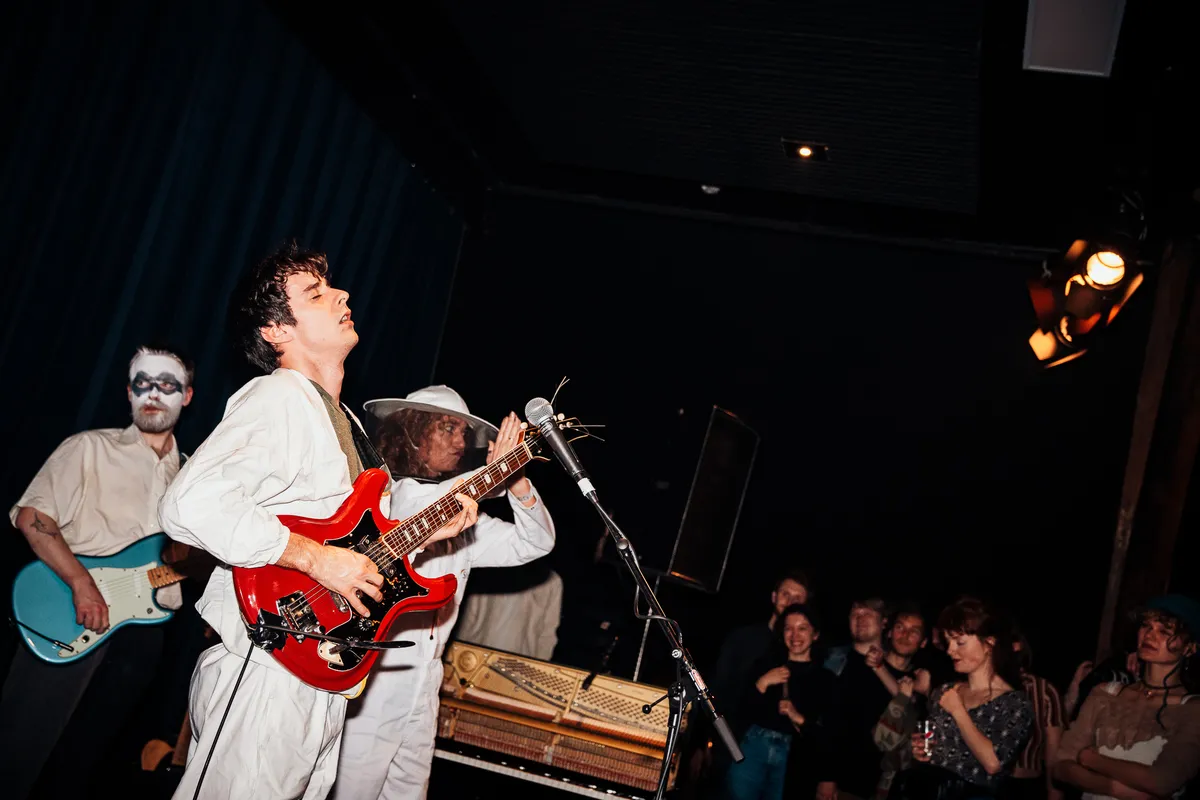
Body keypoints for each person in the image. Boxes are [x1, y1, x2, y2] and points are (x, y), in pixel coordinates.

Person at [158, 244, 479, 799]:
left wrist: (427, 532)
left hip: (318, 668)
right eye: (316, 293)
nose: (342, 295)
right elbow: (188, 504)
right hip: (267, 661)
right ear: (276, 330)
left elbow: (348, 543)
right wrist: (317, 560)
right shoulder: (279, 395)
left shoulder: (344, 421)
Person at [331, 385, 556, 800]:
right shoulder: (393, 498)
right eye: (448, 428)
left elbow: (537, 542)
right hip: (377, 681)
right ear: (413, 433)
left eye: (463, 432)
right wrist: (499, 470)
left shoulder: (465, 520)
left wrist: (519, 483)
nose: (460, 441)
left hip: (428, 683)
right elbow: (434, 505)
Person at [0, 345, 194, 799]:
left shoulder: (192, 478)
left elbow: (186, 559)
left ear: (187, 395)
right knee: (19, 750)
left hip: (143, 634)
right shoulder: (89, 447)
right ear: (128, 392)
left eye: (167, 384)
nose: (153, 393)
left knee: (83, 763)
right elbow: (33, 517)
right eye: (143, 383)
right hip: (69, 611)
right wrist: (82, 583)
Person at [1052, 594, 1200, 799]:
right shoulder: (1105, 693)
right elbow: (1060, 765)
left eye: (1164, 631)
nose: (1150, 635)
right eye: (1146, 626)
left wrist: (1091, 759)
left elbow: (1161, 781)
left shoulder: (1192, 708)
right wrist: (1118, 789)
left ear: (1190, 648)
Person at [902, 597, 1033, 799]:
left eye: (960, 642)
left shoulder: (1015, 703)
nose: (950, 650)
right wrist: (919, 750)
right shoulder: (945, 691)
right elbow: (934, 748)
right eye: (949, 641)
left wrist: (958, 711)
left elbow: (993, 763)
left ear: (989, 643)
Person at [723, 603, 839, 800]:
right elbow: (740, 710)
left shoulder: (825, 679)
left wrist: (798, 717)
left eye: (802, 628)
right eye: (788, 628)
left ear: (815, 634)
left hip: (794, 758)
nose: (794, 635)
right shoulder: (765, 664)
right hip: (754, 749)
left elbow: (829, 733)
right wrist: (762, 683)